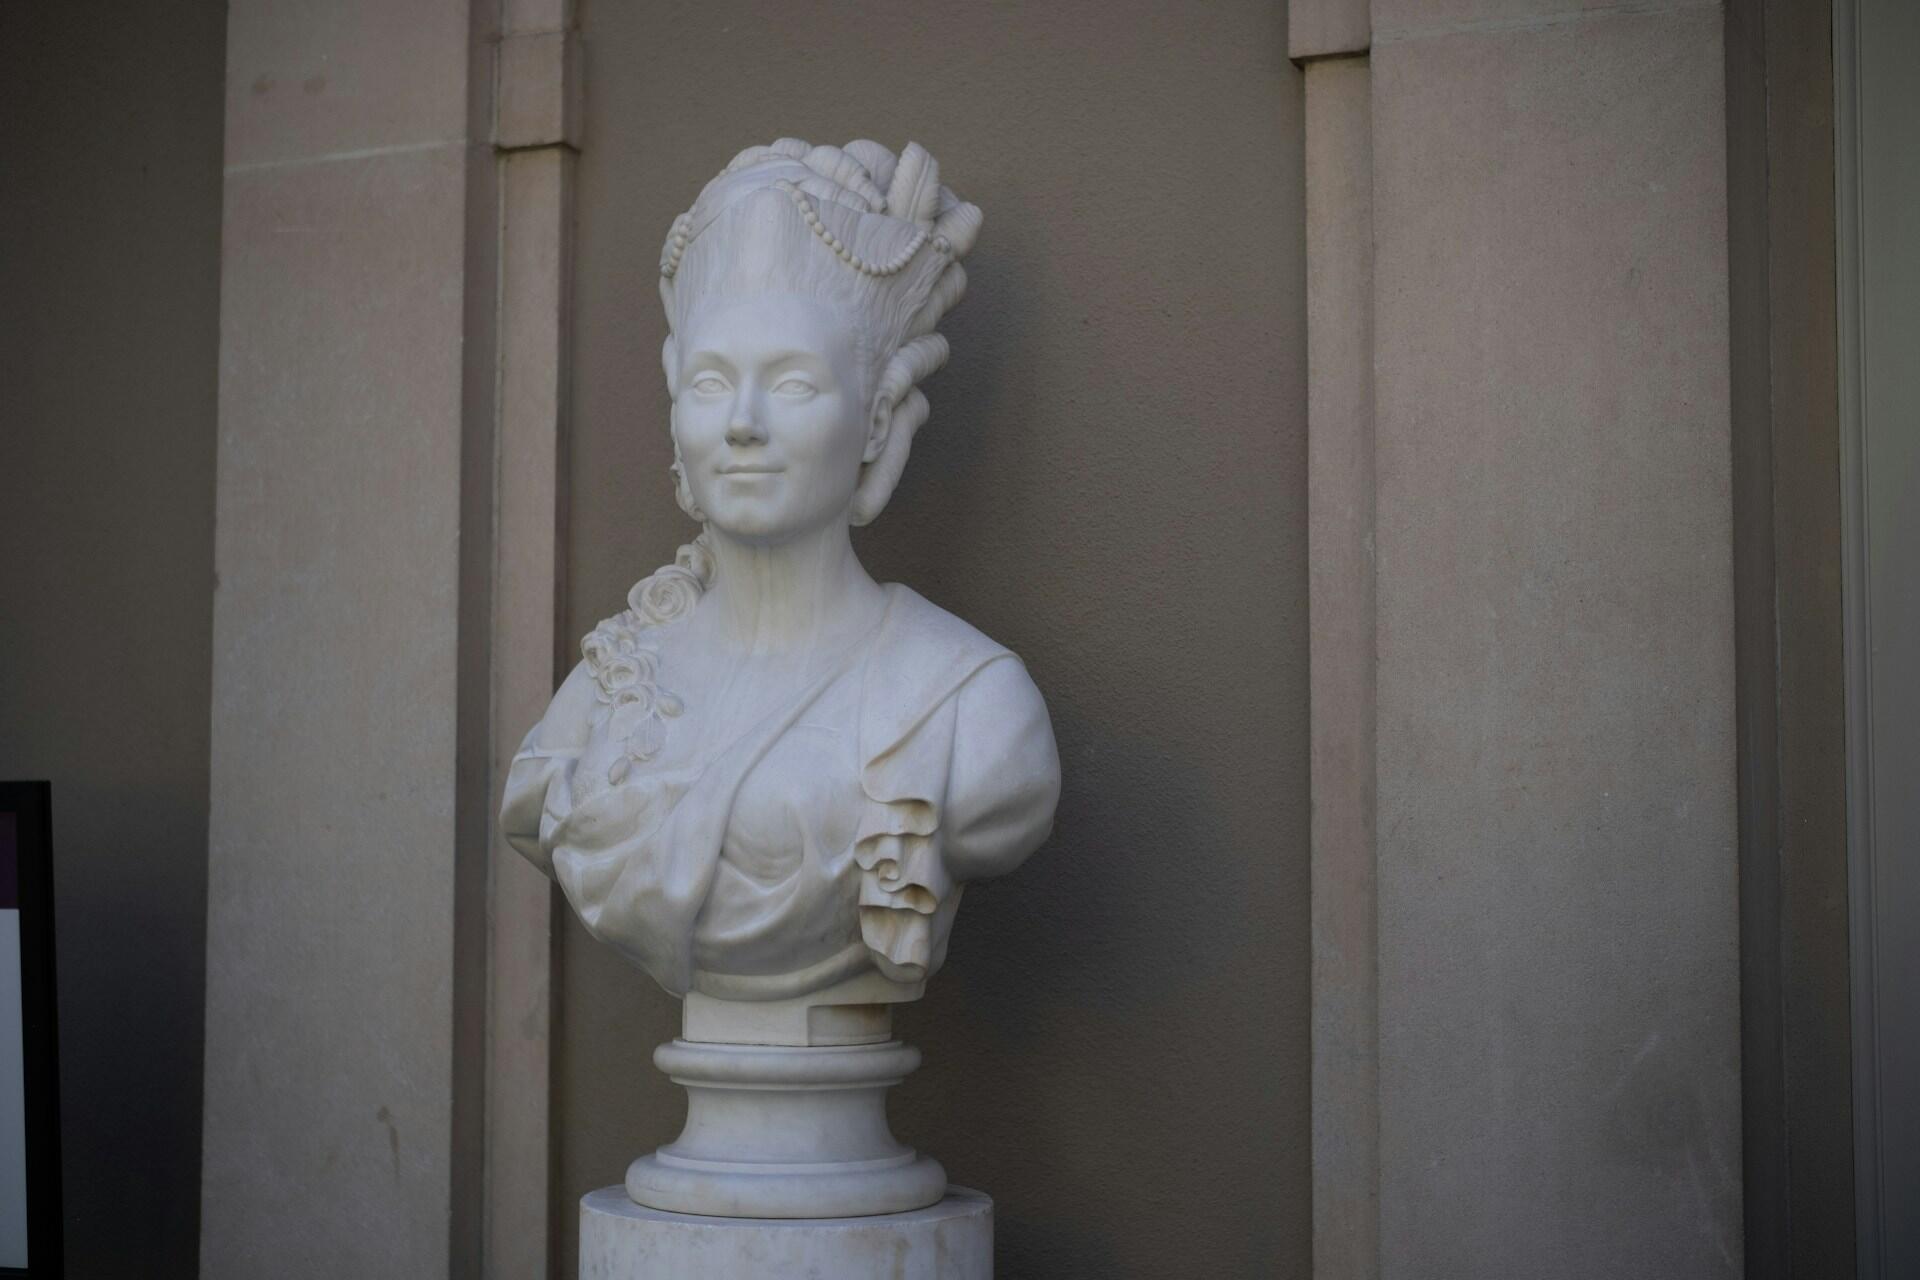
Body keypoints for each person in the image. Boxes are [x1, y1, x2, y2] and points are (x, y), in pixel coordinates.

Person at [501, 138, 1060, 1004]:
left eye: (793, 383)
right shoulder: (602, 695)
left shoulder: (970, 710)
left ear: (876, 421)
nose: (743, 424)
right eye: (710, 384)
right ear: (676, 410)